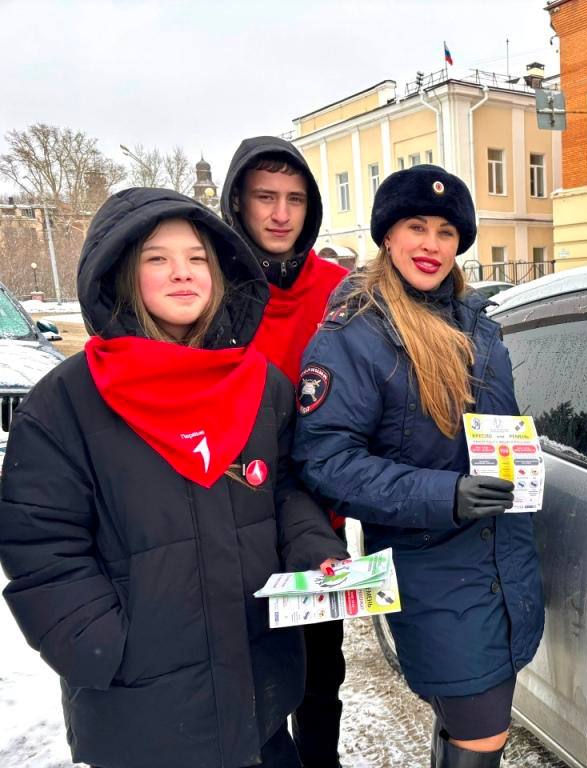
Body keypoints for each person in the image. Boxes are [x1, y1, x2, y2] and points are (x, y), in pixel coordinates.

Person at [0, 189, 343, 768]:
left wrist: (314, 551)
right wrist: (105, 646)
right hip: (138, 713)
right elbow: (41, 546)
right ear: (123, 272)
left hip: (258, 694)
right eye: (157, 258)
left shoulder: (260, 386)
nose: (182, 272)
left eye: (198, 257)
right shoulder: (66, 404)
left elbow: (286, 491)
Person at [293, 165, 544, 768]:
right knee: (482, 732)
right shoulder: (355, 334)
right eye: (415, 227)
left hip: (499, 561)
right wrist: (446, 494)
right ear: (387, 236)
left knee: (469, 725)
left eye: (446, 232)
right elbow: (324, 460)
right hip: (431, 568)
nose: (432, 245)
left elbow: (492, 432)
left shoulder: (476, 324)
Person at [222, 135, 349, 768]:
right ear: (238, 203)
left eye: (295, 199)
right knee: (252, 681)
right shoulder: (213, 286)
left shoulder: (340, 289)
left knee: (321, 678)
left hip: (317, 519)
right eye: (265, 197)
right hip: (233, 522)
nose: (280, 213)